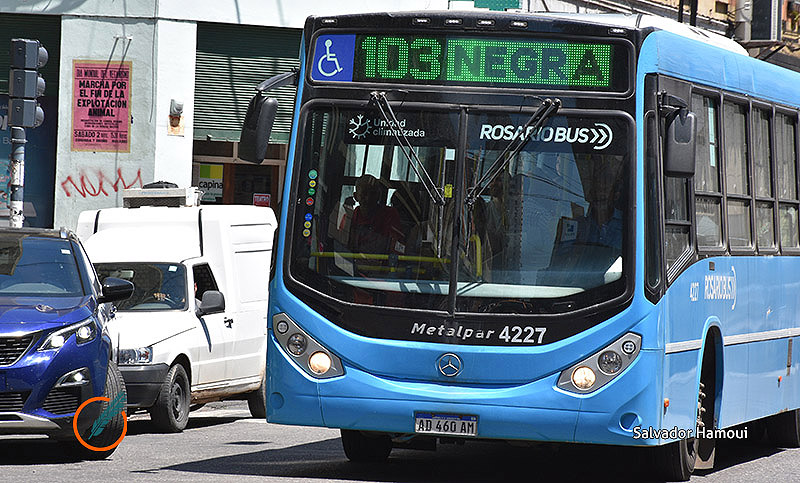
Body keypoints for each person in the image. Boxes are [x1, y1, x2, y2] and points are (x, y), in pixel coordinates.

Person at [348, 174, 404, 254]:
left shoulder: (390, 215)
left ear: (379, 195)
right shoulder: (352, 216)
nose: (368, 199)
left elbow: (398, 248)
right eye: (364, 194)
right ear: (356, 196)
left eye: (373, 194)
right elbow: (345, 245)